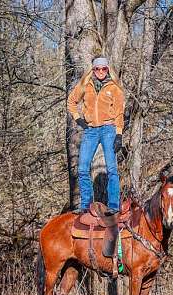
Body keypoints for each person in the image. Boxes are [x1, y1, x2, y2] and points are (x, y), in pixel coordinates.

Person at [67, 56, 125, 215]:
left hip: (108, 129)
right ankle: (86, 205)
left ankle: (113, 205)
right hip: (91, 130)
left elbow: (119, 113)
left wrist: (119, 135)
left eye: (103, 68)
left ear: (108, 69)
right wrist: (78, 119)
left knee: (112, 168)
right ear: (93, 70)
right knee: (82, 168)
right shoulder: (85, 85)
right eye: (97, 69)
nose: (100, 71)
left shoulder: (114, 88)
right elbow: (71, 101)